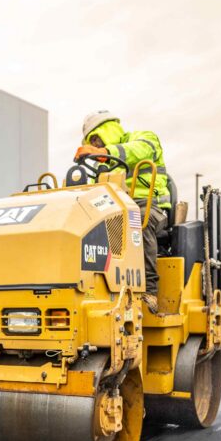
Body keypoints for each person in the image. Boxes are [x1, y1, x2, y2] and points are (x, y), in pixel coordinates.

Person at [74, 111, 172, 313]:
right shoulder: (105, 167)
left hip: (149, 206)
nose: (97, 145)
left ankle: (149, 291)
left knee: (137, 223)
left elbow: (142, 150)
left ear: (108, 130)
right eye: (93, 142)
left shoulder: (144, 138)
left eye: (96, 139)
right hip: (119, 209)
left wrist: (105, 151)